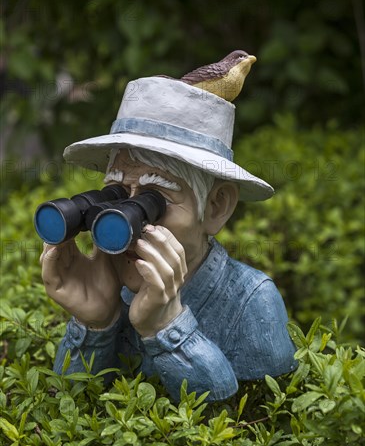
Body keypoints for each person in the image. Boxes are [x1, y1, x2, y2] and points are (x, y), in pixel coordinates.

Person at [40, 73, 296, 402]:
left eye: (152, 202)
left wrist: (167, 327)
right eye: (115, 196)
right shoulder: (113, 285)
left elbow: (253, 422)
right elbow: (68, 410)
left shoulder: (252, 302)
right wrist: (95, 324)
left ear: (216, 207)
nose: (127, 226)